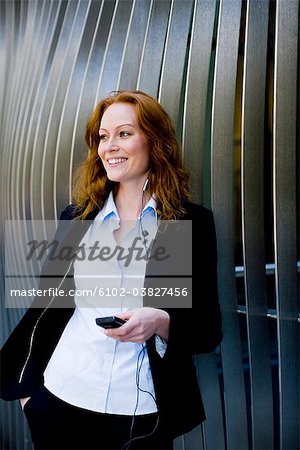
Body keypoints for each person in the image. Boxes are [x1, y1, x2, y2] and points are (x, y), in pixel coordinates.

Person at [0, 90, 222, 450]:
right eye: (103, 136)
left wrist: (161, 321)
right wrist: (32, 399)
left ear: (155, 141)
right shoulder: (79, 217)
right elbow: (48, 307)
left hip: (139, 416)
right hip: (59, 397)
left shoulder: (185, 223)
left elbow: (206, 330)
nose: (110, 146)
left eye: (124, 133)